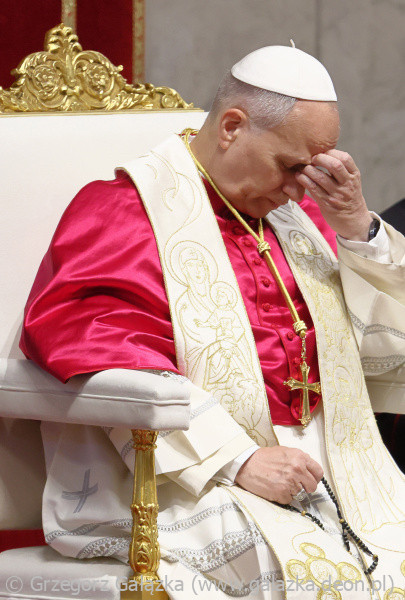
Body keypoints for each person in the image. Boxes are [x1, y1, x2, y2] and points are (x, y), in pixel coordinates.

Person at [20, 45, 405, 598]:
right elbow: (100, 347)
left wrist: (356, 228)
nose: (298, 190)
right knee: (318, 576)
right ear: (231, 127)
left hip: (328, 469)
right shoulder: (128, 212)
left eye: (310, 171)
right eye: (290, 166)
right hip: (183, 479)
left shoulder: (296, 220)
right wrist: (237, 458)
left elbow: (382, 350)